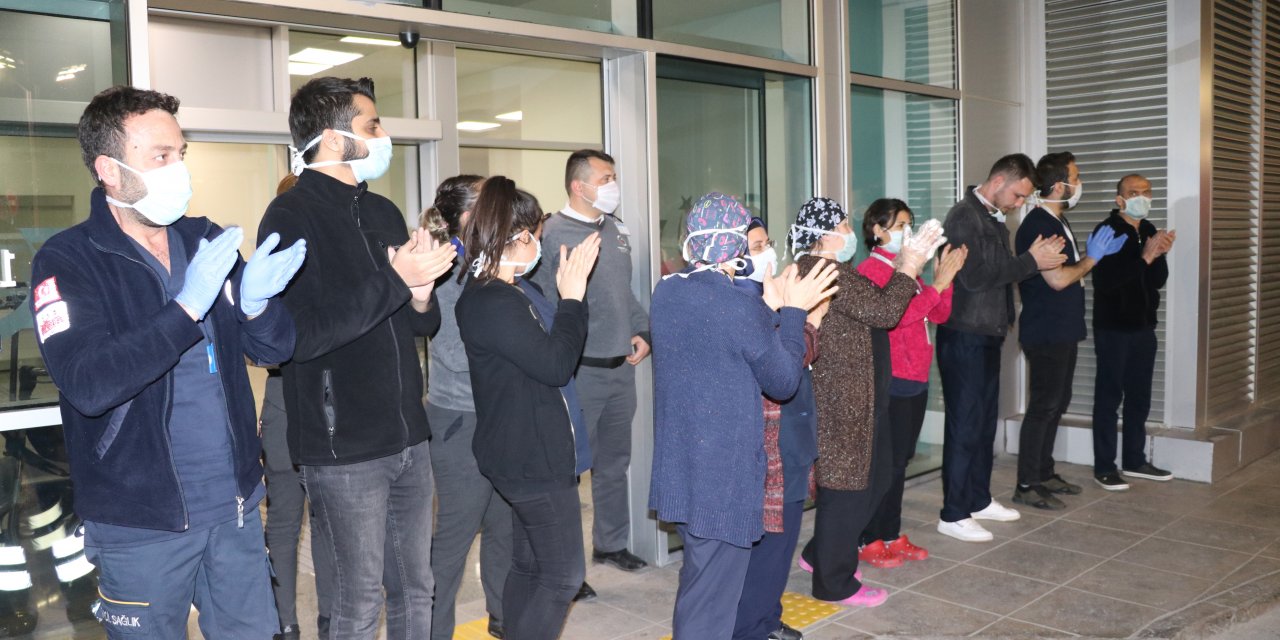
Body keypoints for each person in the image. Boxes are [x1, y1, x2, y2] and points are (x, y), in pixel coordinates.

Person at [31, 85, 305, 638]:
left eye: (180, 154)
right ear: (108, 168)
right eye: (160, 157)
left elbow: (272, 350)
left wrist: (256, 307)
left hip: (235, 506)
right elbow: (88, 382)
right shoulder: (67, 259)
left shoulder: (203, 239)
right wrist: (185, 309)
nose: (178, 168)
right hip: (140, 521)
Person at [258, 76, 457, 640]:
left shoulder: (385, 211)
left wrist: (419, 294)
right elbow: (302, 334)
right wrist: (396, 280)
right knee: (356, 600)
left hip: (407, 435)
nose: (383, 135)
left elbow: (420, 323)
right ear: (334, 137)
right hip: (343, 446)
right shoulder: (290, 216)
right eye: (372, 126)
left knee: (418, 587)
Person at [651, 193, 839, 638]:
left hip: (684, 468)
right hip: (723, 475)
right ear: (734, 250)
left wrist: (768, 307)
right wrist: (794, 312)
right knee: (713, 601)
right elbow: (783, 380)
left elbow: (722, 340)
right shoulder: (737, 308)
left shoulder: (668, 293)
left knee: (701, 584)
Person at [456, 177, 599, 640]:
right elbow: (556, 364)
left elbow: (544, 351)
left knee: (530, 564)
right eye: (534, 236)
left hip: (521, 451)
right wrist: (574, 298)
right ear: (514, 237)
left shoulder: (507, 289)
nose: (538, 244)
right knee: (563, 576)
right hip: (530, 460)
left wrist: (564, 297)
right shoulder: (494, 300)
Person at [789, 197, 942, 607]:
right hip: (843, 398)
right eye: (839, 226)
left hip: (860, 394)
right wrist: (909, 265)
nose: (847, 234)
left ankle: (818, 555)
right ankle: (833, 583)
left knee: (872, 480)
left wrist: (910, 266)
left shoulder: (829, 269)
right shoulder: (824, 270)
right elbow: (885, 311)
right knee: (847, 489)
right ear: (820, 234)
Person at [530, 150, 650, 600]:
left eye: (613, 176)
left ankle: (610, 544)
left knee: (614, 464)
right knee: (568, 473)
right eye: (606, 178)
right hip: (579, 373)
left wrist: (642, 330)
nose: (612, 184)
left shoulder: (615, 231)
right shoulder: (552, 234)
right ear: (579, 186)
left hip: (621, 369)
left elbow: (625, 293)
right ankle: (567, 569)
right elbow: (542, 303)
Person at [935, 154, 1067, 543]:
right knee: (964, 424)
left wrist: (1027, 262)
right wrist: (1030, 261)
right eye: (1018, 194)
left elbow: (998, 270)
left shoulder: (991, 217)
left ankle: (977, 498)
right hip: (965, 333)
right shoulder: (965, 217)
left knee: (983, 421)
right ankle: (953, 512)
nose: (1019, 203)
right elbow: (974, 279)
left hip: (987, 332)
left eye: (1024, 197)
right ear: (998, 180)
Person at [425, 175, 514, 640]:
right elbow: (456, 357)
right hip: (461, 422)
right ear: (465, 217)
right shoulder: (445, 269)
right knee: (453, 543)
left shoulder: (493, 264)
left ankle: (503, 622)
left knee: (505, 529)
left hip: (498, 417)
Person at [855, 199, 966, 567]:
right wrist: (935, 285)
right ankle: (869, 537)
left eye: (910, 223)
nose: (908, 230)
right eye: (900, 224)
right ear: (877, 230)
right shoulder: (873, 271)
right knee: (884, 465)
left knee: (901, 462)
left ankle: (890, 532)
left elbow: (939, 313)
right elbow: (896, 317)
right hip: (892, 377)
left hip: (916, 376)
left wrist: (941, 282)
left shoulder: (911, 272)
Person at [1013, 153, 1126, 510]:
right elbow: (1059, 280)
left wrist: (1092, 258)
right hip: (1046, 331)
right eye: (1076, 177)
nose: (1079, 184)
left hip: (1061, 328)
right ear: (1060, 186)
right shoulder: (1037, 225)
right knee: (1043, 406)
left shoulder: (1056, 221)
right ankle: (1027, 482)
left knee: (1056, 403)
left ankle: (1044, 472)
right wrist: (1092, 259)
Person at [731, 217, 827, 640]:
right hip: (768, 441)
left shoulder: (770, 295)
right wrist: (807, 320)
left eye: (768, 242)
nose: (767, 251)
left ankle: (765, 618)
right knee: (768, 546)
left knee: (782, 542)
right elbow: (781, 366)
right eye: (755, 245)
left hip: (793, 432)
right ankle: (751, 627)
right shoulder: (740, 305)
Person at [261, 174, 335, 640]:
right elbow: (258, 349)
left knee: (325, 519)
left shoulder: (333, 265)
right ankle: (285, 620)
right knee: (293, 519)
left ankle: (324, 616)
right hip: (289, 398)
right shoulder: (267, 271)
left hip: (324, 401)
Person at [1090, 174, 1175, 490]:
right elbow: (1106, 282)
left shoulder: (1150, 230)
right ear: (1120, 200)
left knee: (1139, 397)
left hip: (1144, 328)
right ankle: (1104, 466)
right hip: (1113, 328)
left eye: (1146, 192)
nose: (1142, 197)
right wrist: (1144, 258)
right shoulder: (1108, 231)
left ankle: (1135, 460)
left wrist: (1158, 255)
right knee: (1109, 397)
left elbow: (1156, 281)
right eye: (1133, 192)